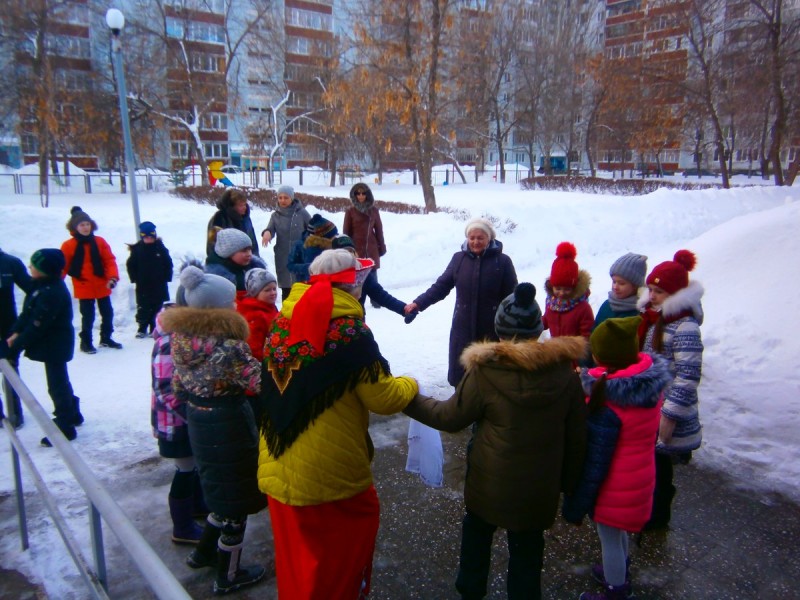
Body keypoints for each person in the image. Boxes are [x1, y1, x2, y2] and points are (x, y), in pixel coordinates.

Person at [403, 283, 587, 600]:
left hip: (489, 484)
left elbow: (449, 417)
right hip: (538, 490)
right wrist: (570, 486)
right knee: (528, 551)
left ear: (499, 329)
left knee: (476, 537)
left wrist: (408, 399)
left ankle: (471, 591)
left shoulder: (485, 373)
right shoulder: (566, 375)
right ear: (536, 328)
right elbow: (577, 437)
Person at [257, 249, 418, 599]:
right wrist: (412, 384)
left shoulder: (282, 320)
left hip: (277, 464)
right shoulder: (349, 332)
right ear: (353, 287)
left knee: (297, 565)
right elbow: (384, 398)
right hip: (326, 476)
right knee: (337, 563)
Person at [161, 265, 266, 595]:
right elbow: (259, 382)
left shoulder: (180, 339)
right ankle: (229, 574)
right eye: (230, 301)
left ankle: (203, 553)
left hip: (198, 420)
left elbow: (177, 386)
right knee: (236, 500)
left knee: (219, 492)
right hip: (229, 422)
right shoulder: (229, 346)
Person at [561, 316, 671, 600]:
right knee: (617, 530)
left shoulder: (606, 400)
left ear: (600, 357)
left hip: (615, 484)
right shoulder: (649, 386)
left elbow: (595, 449)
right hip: (640, 477)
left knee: (608, 535)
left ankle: (616, 589)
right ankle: (620, 568)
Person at [404, 218, 517, 387]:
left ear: (489, 238)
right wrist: (418, 303)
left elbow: (512, 298)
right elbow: (441, 286)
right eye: (472, 238)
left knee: (491, 377)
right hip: (462, 328)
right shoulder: (459, 260)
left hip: (491, 330)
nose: (475, 242)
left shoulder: (502, 262)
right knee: (462, 378)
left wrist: (509, 331)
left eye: (480, 237)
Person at [637, 250, 704, 530]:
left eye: (659, 291)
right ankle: (649, 511)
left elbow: (688, 376)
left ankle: (658, 517)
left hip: (666, 412)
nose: (652, 296)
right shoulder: (655, 320)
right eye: (650, 289)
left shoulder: (685, 328)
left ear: (675, 294)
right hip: (652, 405)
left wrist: (669, 415)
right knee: (652, 466)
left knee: (662, 470)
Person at [5, 249, 83, 447]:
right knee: (60, 381)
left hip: (55, 344)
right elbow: (27, 314)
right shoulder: (41, 286)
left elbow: (38, 324)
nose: (30, 267)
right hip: (51, 343)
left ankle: (66, 425)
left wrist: (18, 343)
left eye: (34, 265)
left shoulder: (52, 292)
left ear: (44, 270)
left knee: (56, 384)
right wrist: (15, 332)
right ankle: (72, 413)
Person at [150, 294, 206, 546]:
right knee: (184, 469)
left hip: (186, 417)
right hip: (175, 421)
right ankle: (182, 526)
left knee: (193, 465)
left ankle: (196, 506)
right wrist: (192, 414)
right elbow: (164, 388)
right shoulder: (170, 341)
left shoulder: (184, 334)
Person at [61, 206, 122, 353]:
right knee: (88, 317)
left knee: (108, 313)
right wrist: (55, 283)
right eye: (82, 225)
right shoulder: (68, 245)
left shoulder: (100, 242)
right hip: (83, 285)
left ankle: (106, 338)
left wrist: (113, 277)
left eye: (87, 224)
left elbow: (109, 260)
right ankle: (86, 342)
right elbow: (62, 265)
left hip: (102, 284)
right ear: (75, 227)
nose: (85, 227)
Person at [331, 235, 417, 322]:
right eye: (342, 253)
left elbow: (380, 295)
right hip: (330, 323)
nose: (347, 256)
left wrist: (403, 308)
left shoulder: (362, 274)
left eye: (350, 251)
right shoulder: (325, 274)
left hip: (356, 323)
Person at [260, 185, 311, 301]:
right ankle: (286, 316)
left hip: (300, 256)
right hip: (283, 256)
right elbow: (270, 229)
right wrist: (267, 232)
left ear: (292, 198)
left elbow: (313, 228)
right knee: (286, 288)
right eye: (280, 197)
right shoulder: (275, 216)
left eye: (286, 198)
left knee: (301, 287)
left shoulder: (302, 213)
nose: (282, 200)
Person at [0, 247, 32, 428]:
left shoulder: (10, 262)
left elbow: (33, 289)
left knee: (10, 369)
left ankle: (15, 412)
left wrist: (24, 319)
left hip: (7, 327)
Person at [126, 221, 173, 339]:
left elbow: (168, 263)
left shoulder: (160, 248)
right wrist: (134, 278)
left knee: (157, 306)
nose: (148, 239)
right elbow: (131, 265)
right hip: (143, 285)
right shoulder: (137, 250)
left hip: (159, 284)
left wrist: (167, 277)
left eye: (150, 237)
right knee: (143, 306)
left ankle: (154, 327)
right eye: (145, 237)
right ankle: (142, 327)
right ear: (142, 237)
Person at [343, 183, 386, 308]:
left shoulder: (373, 211)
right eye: (358, 193)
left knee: (372, 274)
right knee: (358, 276)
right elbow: (346, 232)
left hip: (371, 248)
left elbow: (379, 230)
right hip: (356, 248)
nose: (361, 196)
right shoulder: (350, 211)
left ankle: (376, 300)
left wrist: (381, 246)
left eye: (363, 193)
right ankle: (358, 301)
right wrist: (347, 249)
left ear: (368, 194)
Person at [542, 241, 594, 340]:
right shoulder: (551, 302)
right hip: (555, 350)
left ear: (574, 288)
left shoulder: (583, 308)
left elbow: (587, 335)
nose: (561, 293)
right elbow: (547, 319)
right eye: (558, 288)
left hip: (575, 353)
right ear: (552, 286)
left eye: (567, 289)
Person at [592, 253, 648, 330]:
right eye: (614, 282)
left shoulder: (639, 313)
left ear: (635, 286)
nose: (615, 287)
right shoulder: (607, 305)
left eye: (621, 283)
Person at [205, 228, 267, 295]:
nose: (249, 254)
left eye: (250, 249)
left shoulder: (254, 268)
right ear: (227, 253)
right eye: (244, 250)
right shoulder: (217, 281)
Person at [237, 268, 279, 362]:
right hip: (265, 362)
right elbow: (254, 347)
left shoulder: (269, 307)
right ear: (255, 293)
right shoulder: (255, 315)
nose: (273, 293)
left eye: (274, 289)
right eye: (267, 290)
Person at [206, 188, 260, 258]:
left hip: (246, 260)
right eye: (241, 205)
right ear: (232, 207)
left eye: (245, 204)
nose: (245, 208)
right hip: (226, 263)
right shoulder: (219, 218)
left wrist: (256, 258)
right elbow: (213, 245)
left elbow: (252, 240)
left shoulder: (245, 219)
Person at [286, 213, 338, 284]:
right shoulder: (301, 245)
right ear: (323, 237)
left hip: (327, 284)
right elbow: (290, 265)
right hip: (306, 284)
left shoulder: (334, 244)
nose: (335, 237)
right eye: (333, 236)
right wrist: (308, 268)